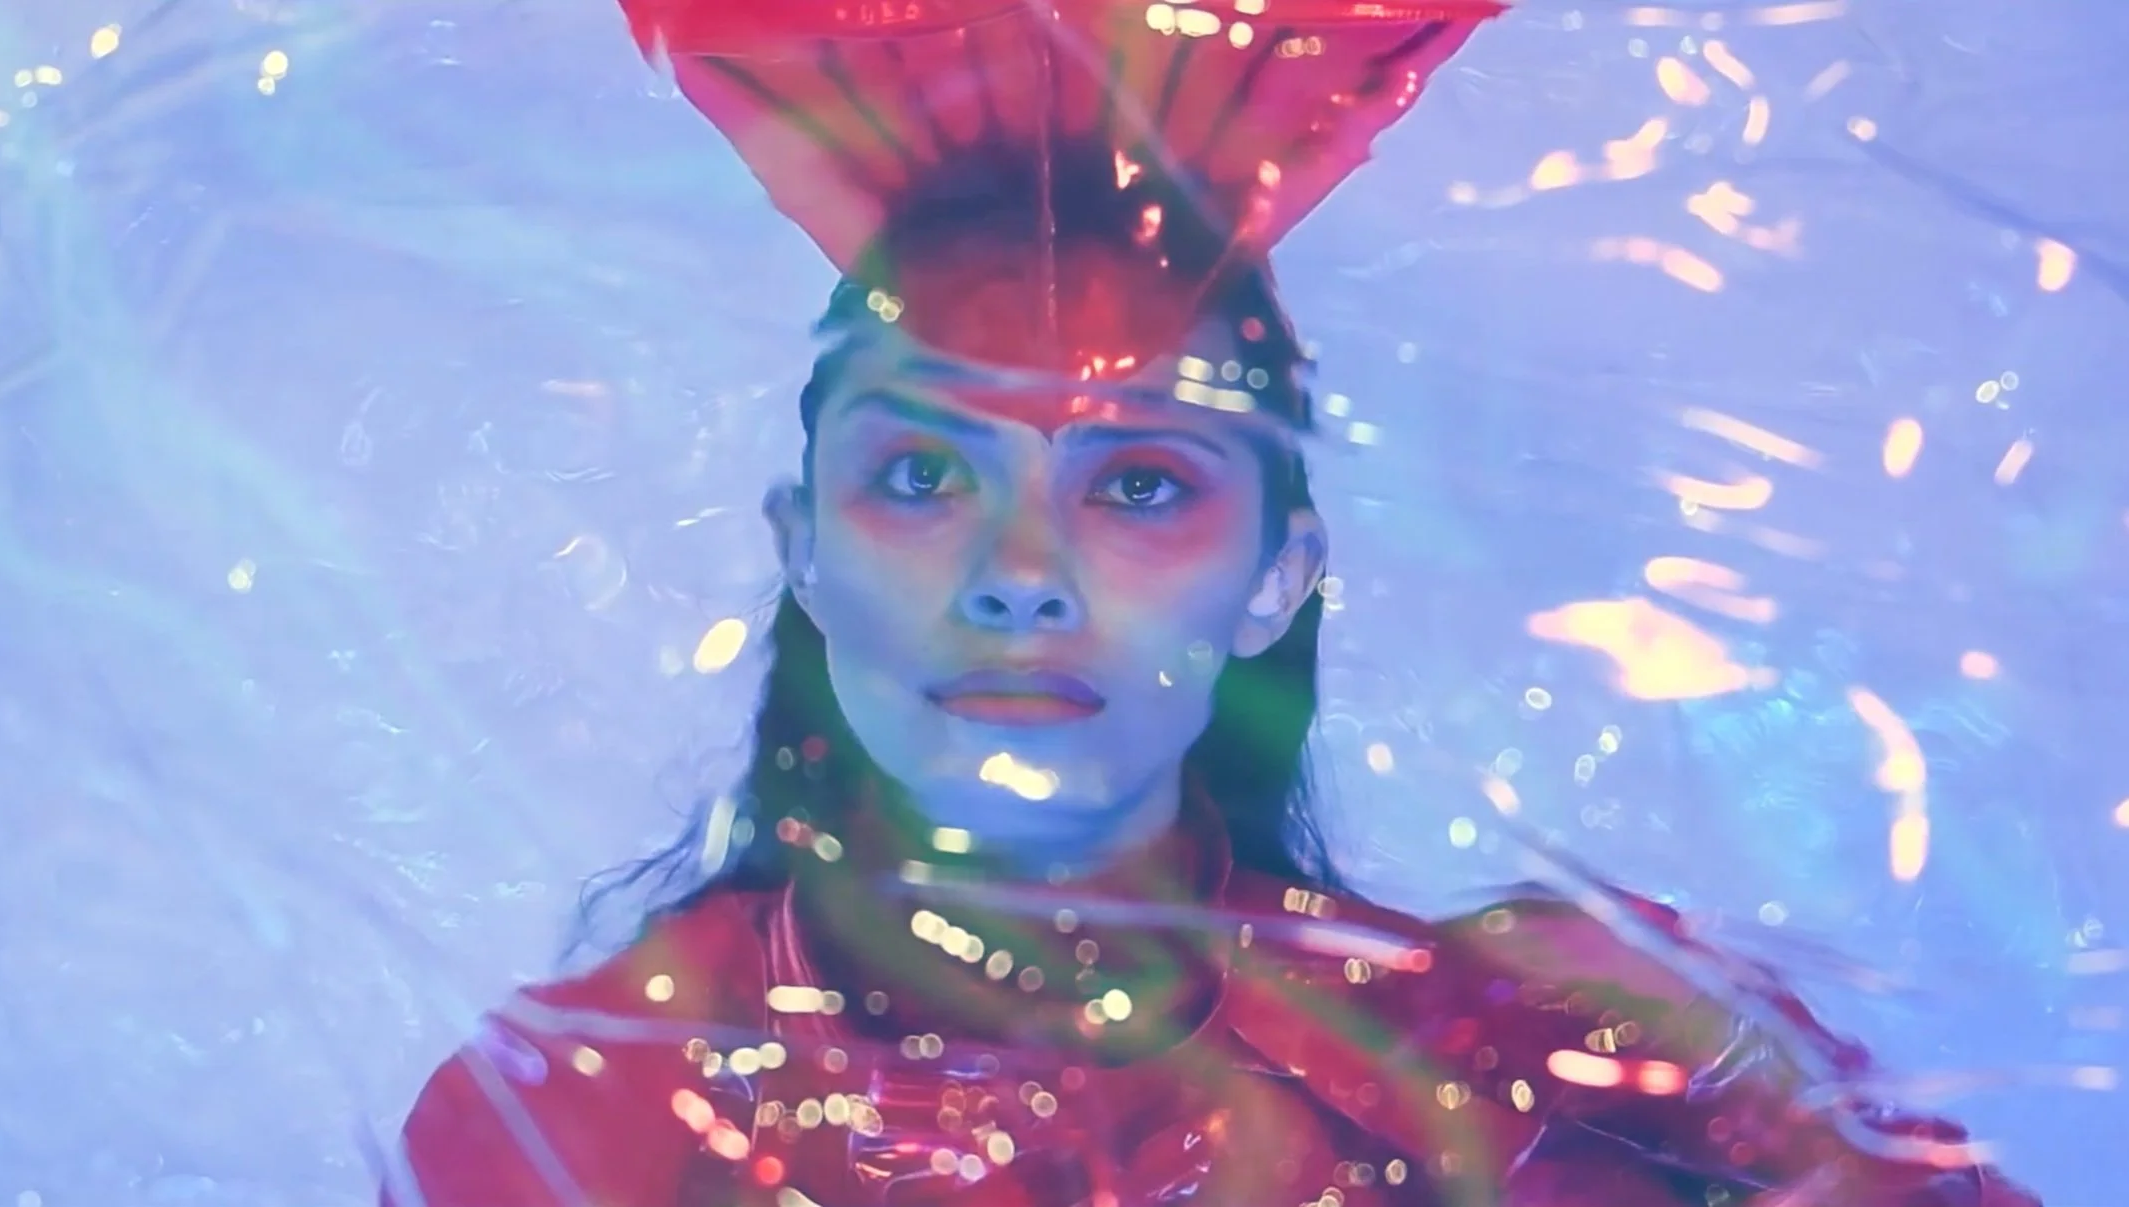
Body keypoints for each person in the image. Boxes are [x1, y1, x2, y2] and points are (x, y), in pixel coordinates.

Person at [380, 3, 2043, 1204]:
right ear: (802, 548)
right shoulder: (579, 1114)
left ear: (1279, 574)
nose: (1019, 578)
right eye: (921, 478)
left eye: (1140, 484)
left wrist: (1805, 1134)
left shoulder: (1506, 1055)